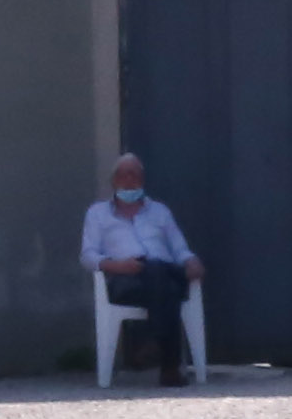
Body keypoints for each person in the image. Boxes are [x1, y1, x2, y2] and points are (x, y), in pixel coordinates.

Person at [82, 157, 203, 386]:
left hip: (162, 271)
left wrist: (192, 261)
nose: (129, 180)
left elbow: (179, 249)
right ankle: (168, 365)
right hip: (125, 278)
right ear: (113, 181)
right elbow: (88, 256)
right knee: (170, 284)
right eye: (124, 175)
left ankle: (158, 348)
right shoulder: (97, 214)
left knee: (160, 272)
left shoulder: (160, 211)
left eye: (135, 175)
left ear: (143, 180)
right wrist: (117, 265)